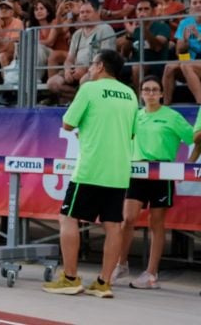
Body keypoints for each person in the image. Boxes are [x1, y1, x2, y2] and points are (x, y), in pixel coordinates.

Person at [43, 49, 138, 299]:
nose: (89, 68)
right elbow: (130, 133)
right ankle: (104, 283)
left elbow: (67, 124)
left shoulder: (89, 89)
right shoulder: (130, 94)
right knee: (113, 225)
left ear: (100, 66)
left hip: (90, 168)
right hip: (118, 170)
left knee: (68, 217)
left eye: (92, 63)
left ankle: (71, 278)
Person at [113, 76, 193, 290]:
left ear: (161, 94)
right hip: (137, 172)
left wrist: (188, 166)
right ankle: (121, 264)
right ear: (141, 93)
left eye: (154, 90)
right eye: (146, 90)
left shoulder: (172, 117)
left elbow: (194, 138)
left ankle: (151, 273)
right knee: (127, 219)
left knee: (156, 224)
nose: (150, 93)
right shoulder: (135, 116)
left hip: (161, 173)